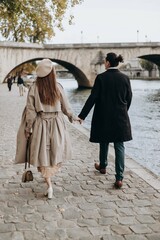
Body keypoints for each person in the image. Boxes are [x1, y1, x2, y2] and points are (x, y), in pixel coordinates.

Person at [15, 59, 78, 199]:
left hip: (40, 124)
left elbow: (31, 111)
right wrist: (73, 117)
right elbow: (66, 107)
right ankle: (50, 183)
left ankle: (49, 185)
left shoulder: (34, 87)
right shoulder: (58, 87)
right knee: (55, 152)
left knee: (43, 154)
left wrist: (28, 128)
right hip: (57, 124)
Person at [78, 52, 132, 189]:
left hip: (104, 117)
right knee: (119, 146)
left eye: (105, 62)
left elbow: (93, 98)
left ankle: (103, 166)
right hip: (120, 117)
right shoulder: (125, 78)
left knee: (104, 140)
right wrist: (124, 111)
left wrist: (82, 115)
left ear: (108, 63)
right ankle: (119, 177)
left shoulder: (101, 78)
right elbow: (129, 98)